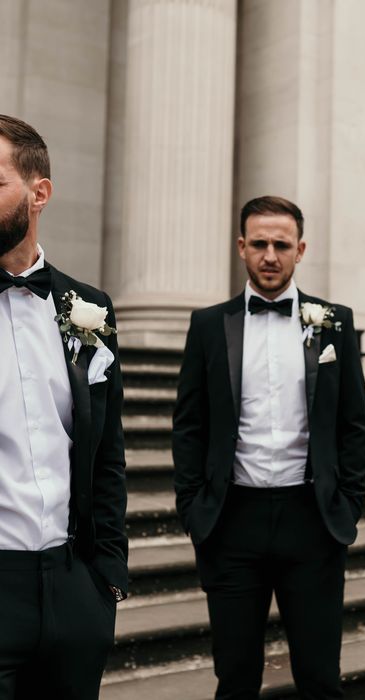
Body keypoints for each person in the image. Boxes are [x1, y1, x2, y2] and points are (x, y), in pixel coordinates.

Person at [172, 195, 365, 699]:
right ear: (241, 247)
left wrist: (348, 501)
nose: (270, 255)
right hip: (231, 520)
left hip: (312, 520)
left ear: (300, 250)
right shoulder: (208, 326)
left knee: (320, 675)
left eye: (281, 244)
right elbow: (189, 425)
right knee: (235, 676)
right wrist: (194, 509)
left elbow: (354, 424)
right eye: (258, 243)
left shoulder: (335, 323)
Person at [0, 114, 127, 698]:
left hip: (73, 586)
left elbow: (108, 453)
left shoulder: (89, 308)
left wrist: (106, 581)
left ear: (38, 192)